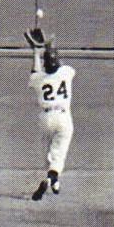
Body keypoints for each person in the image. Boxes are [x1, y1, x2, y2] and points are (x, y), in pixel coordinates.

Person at [25, 29, 75, 201]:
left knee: (50, 153)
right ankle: (52, 178)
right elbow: (57, 62)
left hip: (45, 119)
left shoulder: (39, 79)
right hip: (63, 118)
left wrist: (36, 52)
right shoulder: (67, 72)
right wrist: (48, 45)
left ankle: (53, 181)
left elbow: (35, 71)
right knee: (59, 154)